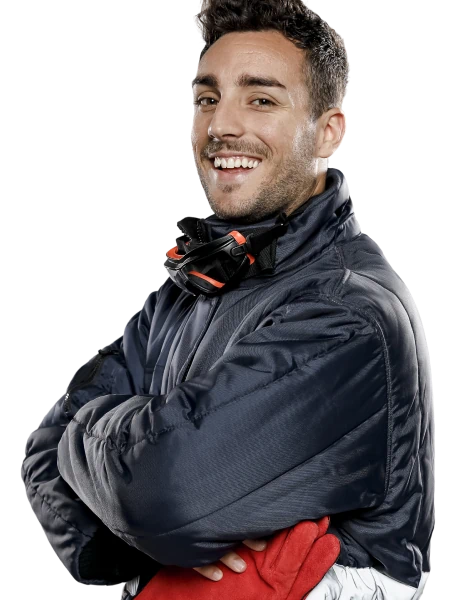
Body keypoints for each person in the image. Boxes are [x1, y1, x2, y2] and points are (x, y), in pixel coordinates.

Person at [21, 1, 434, 598]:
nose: (221, 125)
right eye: (208, 98)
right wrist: (142, 546)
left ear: (328, 130)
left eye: (261, 99)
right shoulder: (195, 284)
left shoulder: (347, 314)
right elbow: (41, 460)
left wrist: (84, 435)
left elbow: (162, 491)